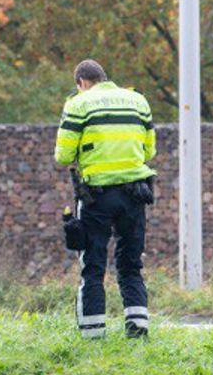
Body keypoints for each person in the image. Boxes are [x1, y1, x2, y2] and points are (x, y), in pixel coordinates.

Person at [55, 59, 157, 338]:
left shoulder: (79, 103)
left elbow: (63, 156)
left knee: (93, 265)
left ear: (81, 83)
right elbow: (149, 151)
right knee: (131, 264)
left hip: (95, 197)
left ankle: (93, 334)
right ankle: (138, 330)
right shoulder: (138, 101)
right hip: (134, 193)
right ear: (104, 77)